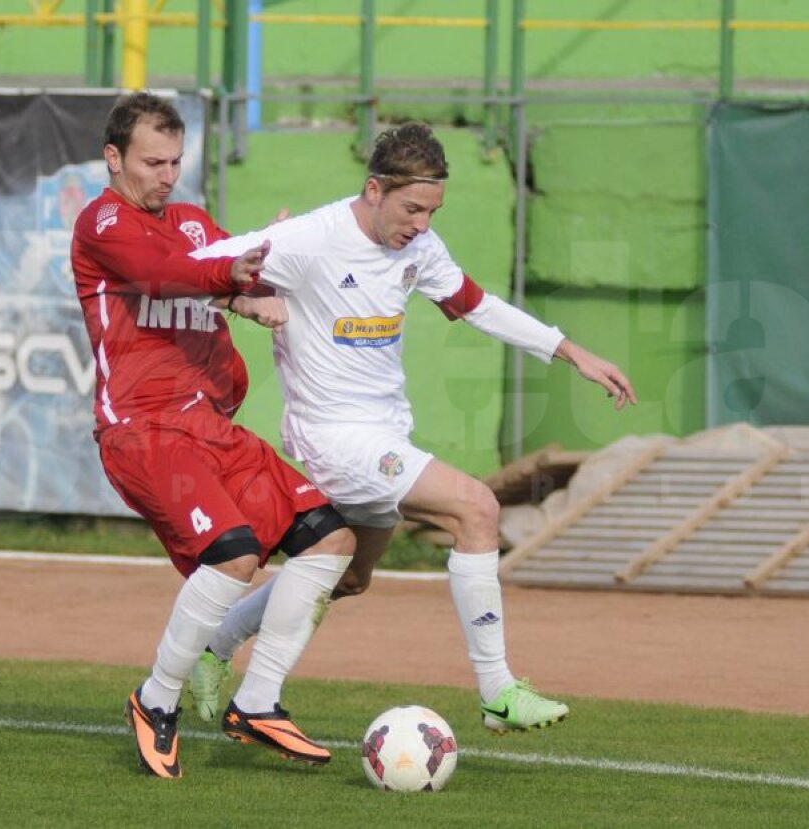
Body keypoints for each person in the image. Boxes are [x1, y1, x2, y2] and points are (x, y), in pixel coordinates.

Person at [188, 122, 637, 733]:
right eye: (412, 208)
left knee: (349, 577)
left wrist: (572, 351)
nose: (422, 224)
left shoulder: (418, 248)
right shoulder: (308, 238)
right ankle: (497, 690)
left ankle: (215, 645)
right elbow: (193, 270)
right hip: (334, 436)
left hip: (384, 434)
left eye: (432, 210)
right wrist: (242, 293)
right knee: (476, 508)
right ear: (374, 189)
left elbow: (478, 306)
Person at [69, 93, 355, 779]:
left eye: (174, 161)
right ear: (113, 159)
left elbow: (211, 278)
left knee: (330, 535)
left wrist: (249, 296)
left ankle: (257, 701)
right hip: (144, 429)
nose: (166, 175)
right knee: (233, 552)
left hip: (208, 425)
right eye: (151, 162)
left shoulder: (194, 223)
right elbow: (162, 275)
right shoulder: (103, 220)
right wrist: (235, 273)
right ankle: (155, 699)